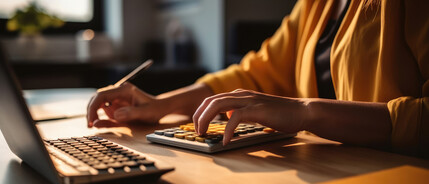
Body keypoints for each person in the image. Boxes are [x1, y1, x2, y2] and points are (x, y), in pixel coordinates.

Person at [87, 0, 428, 158]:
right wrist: (161, 104)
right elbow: (254, 73)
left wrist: (305, 112)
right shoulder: (315, 5)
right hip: (330, 172)